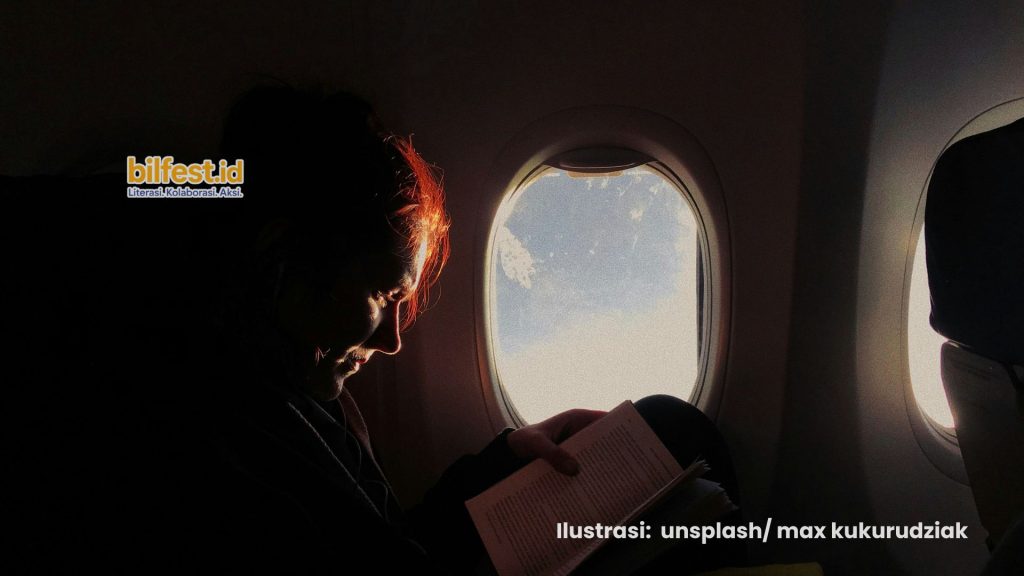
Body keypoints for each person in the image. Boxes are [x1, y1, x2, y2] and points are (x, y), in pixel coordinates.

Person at [98, 85, 741, 574]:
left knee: (671, 429)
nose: (392, 341)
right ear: (280, 259)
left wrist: (504, 458)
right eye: (384, 295)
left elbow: (386, 538)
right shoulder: (209, 434)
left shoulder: (306, 392)